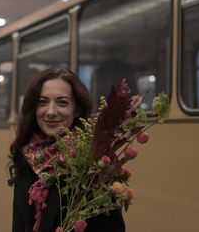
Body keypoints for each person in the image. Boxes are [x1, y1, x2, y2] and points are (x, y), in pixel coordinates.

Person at [8, 67, 125, 232]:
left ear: (77, 109)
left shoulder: (93, 163)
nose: (50, 112)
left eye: (62, 102)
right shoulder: (28, 155)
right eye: (42, 102)